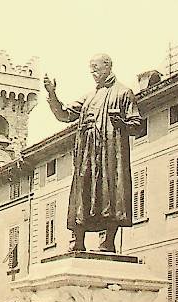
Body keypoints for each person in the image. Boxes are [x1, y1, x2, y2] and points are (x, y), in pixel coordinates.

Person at [44, 54, 143, 253]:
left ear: (108, 67)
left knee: (109, 194)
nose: (93, 74)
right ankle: (77, 241)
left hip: (110, 154)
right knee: (82, 194)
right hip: (87, 154)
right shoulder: (89, 97)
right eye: (91, 70)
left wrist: (122, 124)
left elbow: (137, 125)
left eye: (96, 69)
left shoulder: (124, 93)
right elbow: (65, 114)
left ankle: (107, 242)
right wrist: (52, 94)